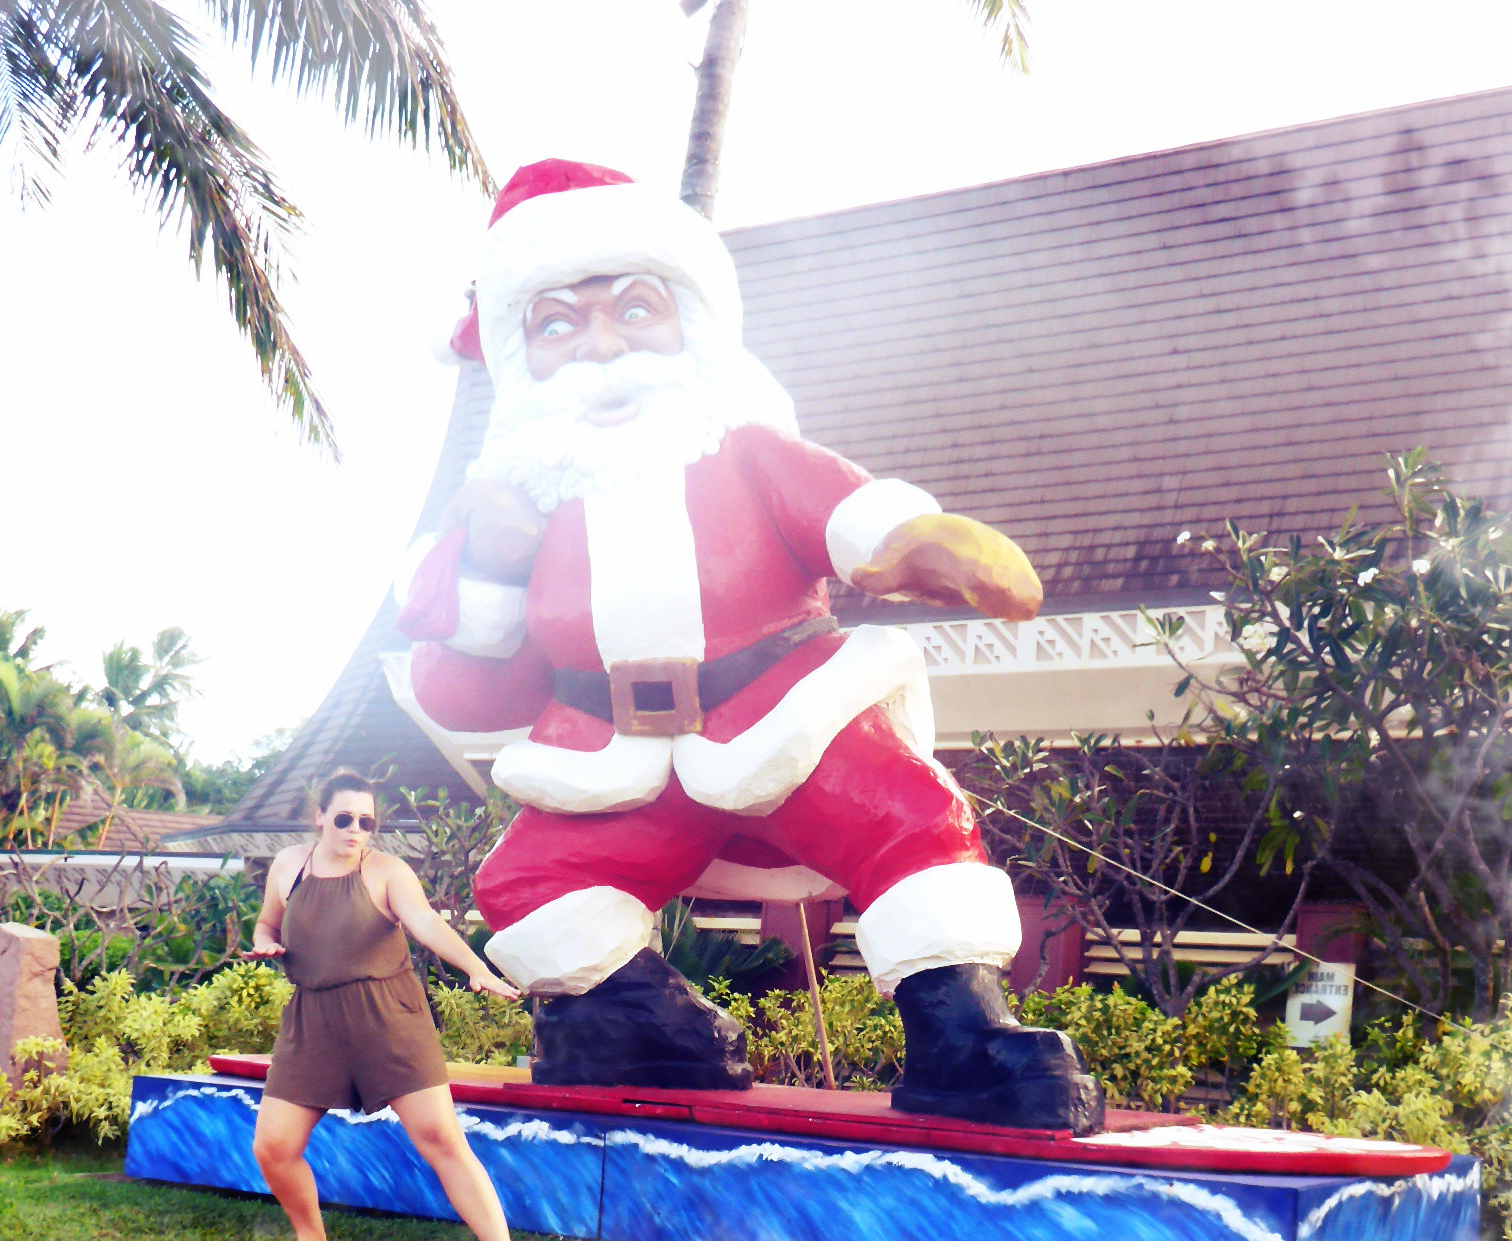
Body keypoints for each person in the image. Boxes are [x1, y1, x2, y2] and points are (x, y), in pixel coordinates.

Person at [400, 158, 1104, 1131]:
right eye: (557, 326)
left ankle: (962, 1030)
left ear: (691, 318)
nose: (602, 348)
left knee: (907, 817)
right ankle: (628, 1023)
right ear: (521, 358)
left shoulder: (743, 451)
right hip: (608, 755)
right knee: (532, 880)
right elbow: (469, 696)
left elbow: (852, 520)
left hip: (780, 715)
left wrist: (924, 544)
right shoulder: (518, 506)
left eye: (634, 310)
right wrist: (489, 568)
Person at [244, 770, 532, 1241]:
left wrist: (476, 968)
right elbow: (267, 923)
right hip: (313, 1020)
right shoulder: (288, 866)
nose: (356, 829)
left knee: (442, 1140)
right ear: (319, 817)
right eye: (344, 818)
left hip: (389, 1017)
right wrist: (265, 942)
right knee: (273, 1146)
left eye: (366, 821)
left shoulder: (387, 871)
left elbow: (425, 922)